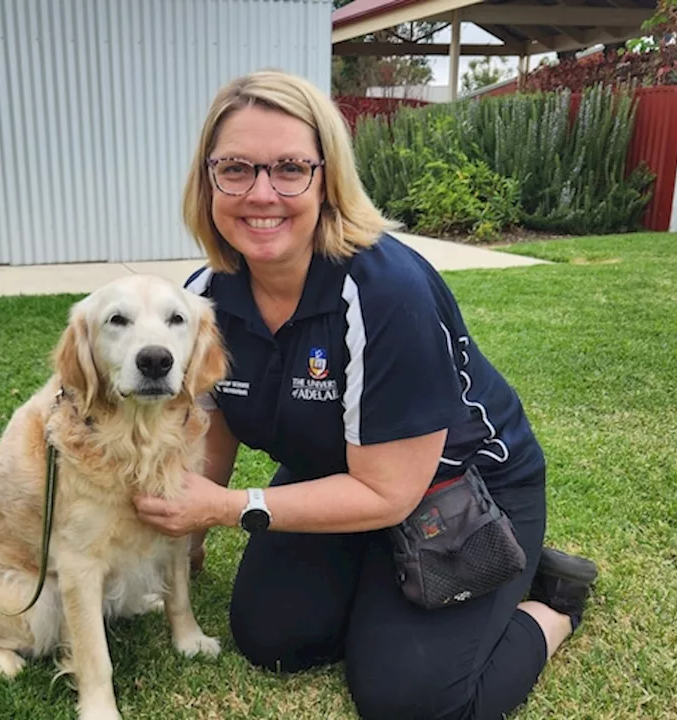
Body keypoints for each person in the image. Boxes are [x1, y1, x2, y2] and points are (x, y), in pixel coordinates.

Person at [131, 69, 599, 720]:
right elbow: (216, 422)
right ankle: (386, 591)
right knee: (271, 639)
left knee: (409, 701)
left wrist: (229, 507)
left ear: (328, 179)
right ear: (208, 179)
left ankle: (547, 601)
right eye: (235, 168)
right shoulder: (205, 294)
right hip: (338, 473)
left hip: (460, 489)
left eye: (290, 168)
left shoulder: (385, 293)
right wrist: (193, 532)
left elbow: (390, 492)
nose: (261, 192)